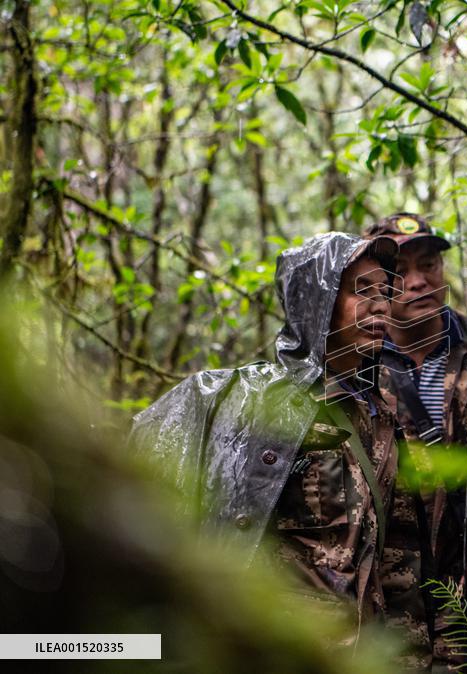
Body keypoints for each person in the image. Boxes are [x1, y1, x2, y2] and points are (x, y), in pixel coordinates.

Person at [130, 232, 399, 631]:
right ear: (317, 302)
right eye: (362, 291)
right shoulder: (243, 402)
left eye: (384, 291)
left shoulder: (379, 416)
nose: (380, 305)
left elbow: (397, 559)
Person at [363, 213, 467, 671]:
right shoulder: (354, 371)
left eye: (429, 265)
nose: (418, 282)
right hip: (388, 617)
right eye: (399, 272)